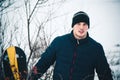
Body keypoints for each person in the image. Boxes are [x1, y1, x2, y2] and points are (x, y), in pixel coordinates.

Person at [31, 11, 113, 80]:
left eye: (84, 24)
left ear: (88, 26)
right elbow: (43, 63)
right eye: (78, 23)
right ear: (73, 25)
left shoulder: (96, 48)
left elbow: (105, 74)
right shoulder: (59, 42)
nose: (81, 27)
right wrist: (31, 77)